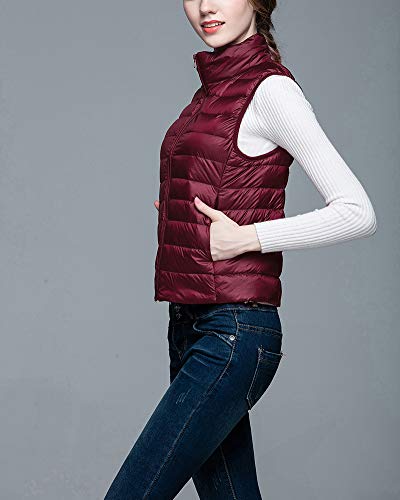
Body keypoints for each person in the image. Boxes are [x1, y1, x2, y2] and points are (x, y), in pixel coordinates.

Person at [104, 1, 377, 498]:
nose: (205, 6)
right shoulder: (210, 91)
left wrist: (249, 237)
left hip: (233, 332)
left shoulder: (271, 91)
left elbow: (357, 211)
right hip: (190, 324)